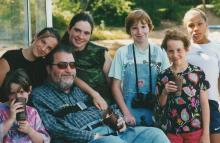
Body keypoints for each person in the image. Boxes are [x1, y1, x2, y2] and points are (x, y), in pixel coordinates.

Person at [31, 44, 170, 143]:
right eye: (62, 65)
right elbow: (56, 128)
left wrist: (119, 118)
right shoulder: (40, 95)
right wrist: (94, 137)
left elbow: (107, 107)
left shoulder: (81, 89)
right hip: (91, 139)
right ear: (49, 69)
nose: (69, 70)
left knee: (155, 135)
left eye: (72, 65)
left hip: (115, 132)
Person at [0, 27, 107, 110]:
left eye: (49, 48)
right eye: (43, 42)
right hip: (8, 106)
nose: (43, 48)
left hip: (33, 110)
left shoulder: (44, 64)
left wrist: (94, 94)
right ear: (37, 36)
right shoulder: (10, 57)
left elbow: (71, 76)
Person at [108, 9, 170, 126]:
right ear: (129, 31)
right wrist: (126, 113)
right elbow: (115, 86)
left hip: (156, 110)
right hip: (129, 111)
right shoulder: (122, 53)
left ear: (149, 28)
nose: (139, 31)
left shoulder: (160, 52)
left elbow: (167, 84)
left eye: (143, 26)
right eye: (134, 28)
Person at [157, 29, 210, 143]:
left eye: (179, 50)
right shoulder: (163, 75)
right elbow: (160, 105)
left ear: (186, 49)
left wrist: (206, 134)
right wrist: (165, 92)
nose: (175, 55)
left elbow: (205, 104)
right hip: (171, 131)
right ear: (166, 52)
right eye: (170, 51)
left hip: (195, 130)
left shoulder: (197, 73)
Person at [183, 8, 220, 143]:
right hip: (189, 105)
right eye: (191, 25)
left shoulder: (217, 48)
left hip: (213, 104)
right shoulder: (183, 50)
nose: (195, 28)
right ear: (186, 28)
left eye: (199, 24)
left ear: (206, 24)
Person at [61, 12, 114, 105]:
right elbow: (70, 76)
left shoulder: (100, 53)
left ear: (90, 35)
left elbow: (114, 85)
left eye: (86, 33)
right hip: (74, 104)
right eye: (77, 30)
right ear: (69, 29)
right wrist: (94, 94)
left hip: (105, 104)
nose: (81, 36)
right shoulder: (60, 52)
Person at [0, 69, 50, 143]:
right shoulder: (1, 110)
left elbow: (44, 141)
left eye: (21, 92)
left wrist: (30, 131)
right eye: (12, 93)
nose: (17, 97)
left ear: (29, 90)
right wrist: (10, 120)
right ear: (8, 93)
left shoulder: (32, 113)